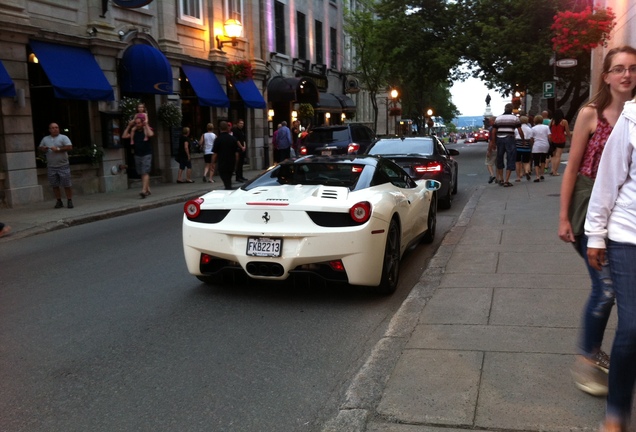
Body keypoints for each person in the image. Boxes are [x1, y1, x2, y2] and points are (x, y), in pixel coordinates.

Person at [559, 46, 636, 400]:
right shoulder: (591, 114)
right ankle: (587, 358)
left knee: (615, 293)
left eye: (632, 69)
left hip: (624, 215)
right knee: (605, 290)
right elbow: (572, 168)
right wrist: (563, 217)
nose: (626, 75)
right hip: (590, 205)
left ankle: (602, 355)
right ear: (606, 76)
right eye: (618, 69)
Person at [586, 87, 636, 432]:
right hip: (627, 235)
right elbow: (607, 179)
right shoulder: (632, 117)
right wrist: (595, 234)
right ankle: (616, 415)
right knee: (632, 327)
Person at [38, 122, 74, 208]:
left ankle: (69, 200)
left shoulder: (63, 137)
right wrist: (43, 148)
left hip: (63, 165)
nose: (55, 129)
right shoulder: (45, 139)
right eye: (53, 128)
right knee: (54, 185)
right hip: (51, 166)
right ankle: (59, 201)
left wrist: (58, 149)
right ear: (50, 130)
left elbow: (69, 147)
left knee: (67, 184)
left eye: (56, 127)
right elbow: (39, 148)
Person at [490, 104, 524, 187]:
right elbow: (520, 130)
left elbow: (494, 132)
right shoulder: (515, 118)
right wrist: (523, 139)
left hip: (499, 139)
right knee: (511, 158)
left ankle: (501, 179)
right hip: (510, 139)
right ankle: (507, 180)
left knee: (500, 158)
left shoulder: (498, 118)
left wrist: (494, 142)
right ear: (512, 109)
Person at [122, 114, 154, 198]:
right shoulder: (134, 132)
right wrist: (129, 126)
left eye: (139, 123)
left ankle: (143, 190)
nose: (137, 125)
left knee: (145, 172)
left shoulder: (146, 130)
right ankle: (147, 189)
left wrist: (146, 124)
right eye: (136, 123)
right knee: (141, 173)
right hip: (137, 154)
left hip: (146, 153)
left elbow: (151, 134)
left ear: (142, 123)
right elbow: (124, 136)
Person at [212, 121, 240, 190]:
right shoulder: (233, 139)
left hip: (222, 163)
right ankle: (228, 188)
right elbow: (236, 154)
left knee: (225, 179)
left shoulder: (218, 140)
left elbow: (215, 154)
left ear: (219, 128)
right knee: (228, 179)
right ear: (227, 128)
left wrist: (212, 163)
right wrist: (236, 164)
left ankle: (228, 189)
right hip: (231, 163)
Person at [549, 109, 571, 176]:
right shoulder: (564, 121)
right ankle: (555, 171)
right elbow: (567, 131)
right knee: (558, 155)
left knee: (553, 155)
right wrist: (570, 139)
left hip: (553, 139)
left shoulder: (552, 121)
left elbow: (549, 129)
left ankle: (552, 169)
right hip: (561, 139)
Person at [530, 114, 550, 182]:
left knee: (536, 161)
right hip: (545, 144)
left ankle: (537, 176)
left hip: (537, 145)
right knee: (543, 160)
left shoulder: (533, 128)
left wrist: (533, 143)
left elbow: (531, 138)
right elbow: (549, 136)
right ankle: (542, 174)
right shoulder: (546, 127)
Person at [514, 115, 533, 182]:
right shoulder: (529, 129)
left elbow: (515, 137)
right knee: (526, 162)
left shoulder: (517, 129)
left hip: (518, 145)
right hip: (526, 146)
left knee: (517, 162)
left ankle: (518, 177)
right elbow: (531, 139)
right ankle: (527, 171)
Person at [484, 116, 497, 184]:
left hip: (493, 147)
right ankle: (499, 177)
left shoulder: (492, 129)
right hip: (500, 147)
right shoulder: (500, 128)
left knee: (488, 162)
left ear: (493, 121)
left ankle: (492, 175)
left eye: (490, 121)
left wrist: (489, 150)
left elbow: (491, 141)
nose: (489, 123)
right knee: (498, 164)